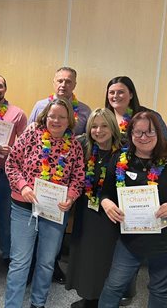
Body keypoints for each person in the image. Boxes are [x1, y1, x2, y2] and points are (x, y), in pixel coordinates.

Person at [98, 111, 167, 308]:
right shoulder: (119, 159)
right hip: (131, 238)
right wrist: (106, 203)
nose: (144, 137)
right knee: (114, 286)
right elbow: (106, 193)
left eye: (150, 132)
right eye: (139, 132)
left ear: (158, 134)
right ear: (131, 134)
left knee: (159, 290)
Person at [4, 98, 85, 308]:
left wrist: (71, 196)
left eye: (61, 117)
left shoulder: (74, 146)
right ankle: (11, 305)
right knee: (20, 262)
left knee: (47, 263)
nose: (56, 120)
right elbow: (11, 164)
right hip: (23, 207)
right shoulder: (31, 135)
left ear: (69, 120)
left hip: (54, 212)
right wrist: (23, 186)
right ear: (45, 116)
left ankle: (37, 304)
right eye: (52, 116)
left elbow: (78, 177)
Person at [66, 108, 123, 308]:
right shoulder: (84, 146)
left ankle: (103, 299)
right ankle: (88, 296)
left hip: (112, 215)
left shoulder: (124, 150)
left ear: (113, 127)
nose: (98, 131)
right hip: (87, 211)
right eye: (94, 126)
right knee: (86, 256)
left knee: (106, 258)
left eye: (104, 125)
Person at [105, 75, 167, 175]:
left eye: (121, 92)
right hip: (110, 175)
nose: (115, 96)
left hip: (145, 175)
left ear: (131, 94)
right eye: (111, 92)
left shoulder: (150, 117)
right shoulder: (103, 119)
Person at [0, 74, 27, 264]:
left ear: (5, 89)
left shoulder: (17, 113)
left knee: (7, 217)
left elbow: (26, 145)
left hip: (5, 174)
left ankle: (7, 255)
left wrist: (12, 151)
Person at [29, 67, 91, 135]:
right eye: (60, 81)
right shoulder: (40, 106)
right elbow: (28, 132)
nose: (63, 85)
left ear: (74, 85)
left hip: (73, 145)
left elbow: (88, 140)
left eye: (68, 82)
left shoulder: (85, 111)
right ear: (54, 83)